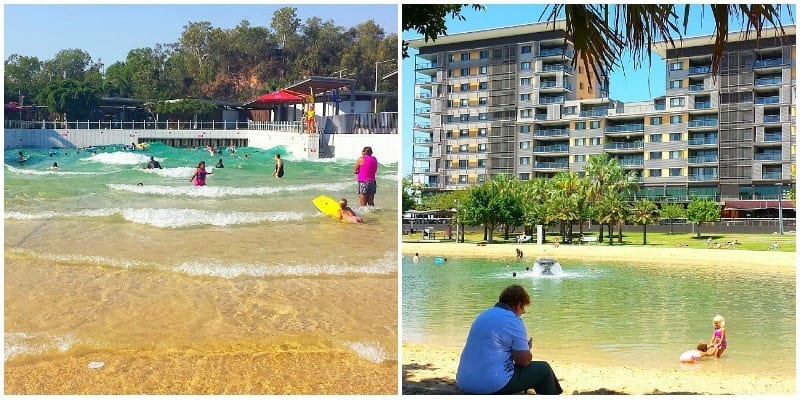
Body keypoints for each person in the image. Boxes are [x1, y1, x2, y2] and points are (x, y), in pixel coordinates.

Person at [457, 285, 563, 395]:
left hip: (464, 381)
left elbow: (492, 349)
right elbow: (523, 362)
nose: (521, 313)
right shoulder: (513, 321)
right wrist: (527, 349)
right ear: (518, 305)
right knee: (543, 369)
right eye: (522, 310)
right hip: (491, 384)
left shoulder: (483, 315)